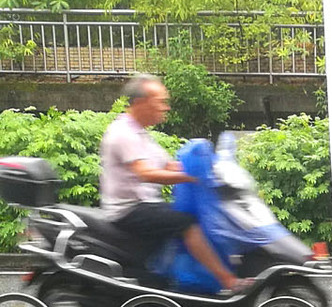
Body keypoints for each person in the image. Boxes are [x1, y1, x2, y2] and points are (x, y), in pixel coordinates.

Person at [99, 74, 249, 293]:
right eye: (160, 102)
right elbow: (146, 174)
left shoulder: (140, 133)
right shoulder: (123, 133)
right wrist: (191, 177)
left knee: (194, 215)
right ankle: (228, 281)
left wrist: (212, 170)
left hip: (146, 204)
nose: (166, 107)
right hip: (129, 210)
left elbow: (171, 166)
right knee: (186, 222)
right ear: (141, 102)